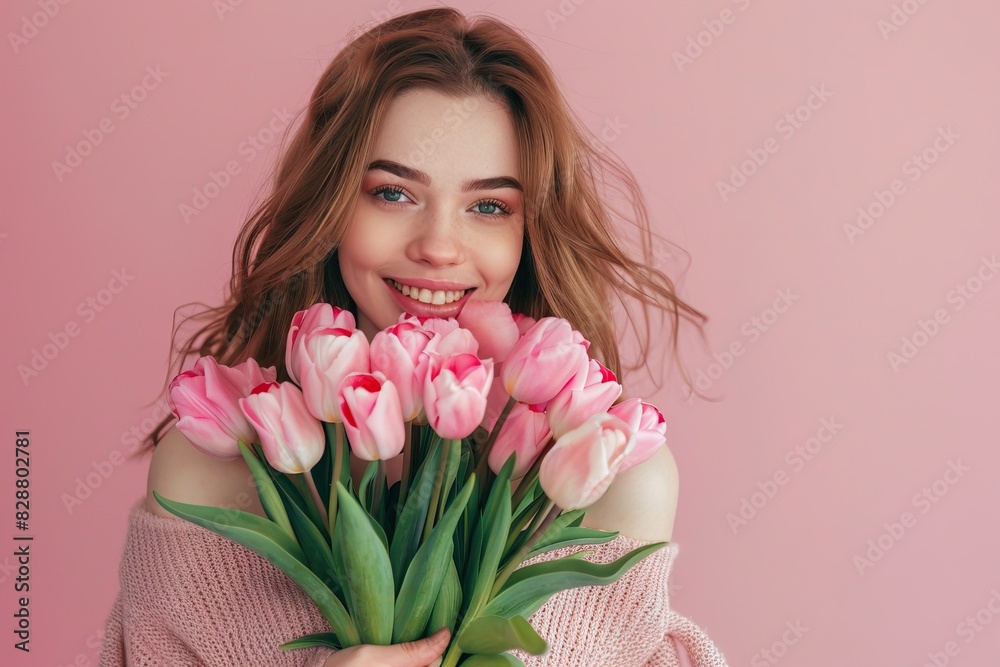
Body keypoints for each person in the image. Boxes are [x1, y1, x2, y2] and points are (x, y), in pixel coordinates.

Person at [98, 7, 728, 666]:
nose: (437, 247)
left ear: (529, 232)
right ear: (331, 204)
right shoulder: (209, 469)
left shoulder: (615, 481)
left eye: (489, 206)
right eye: (393, 194)